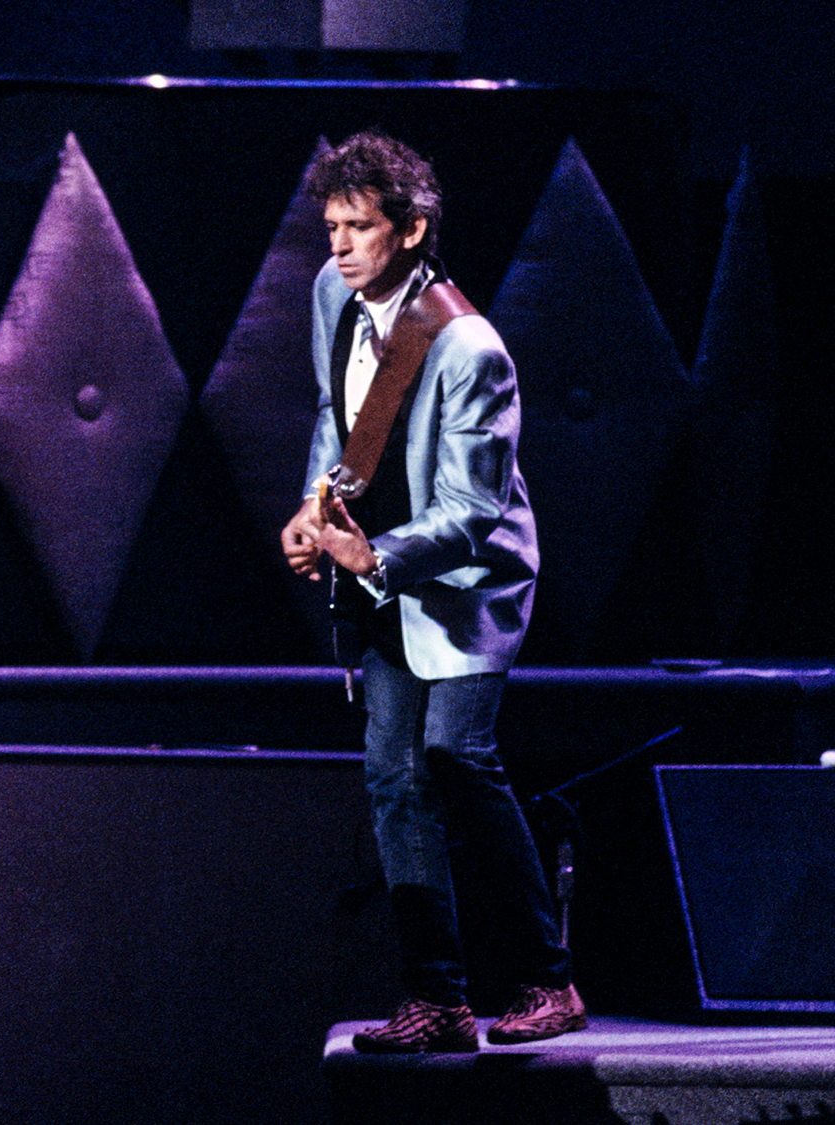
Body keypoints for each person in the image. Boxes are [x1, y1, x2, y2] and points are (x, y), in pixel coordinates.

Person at [280, 131, 586, 1053]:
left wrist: (370, 557)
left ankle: (549, 978)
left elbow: (471, 508)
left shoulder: (468, 347)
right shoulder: (331, 294)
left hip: (464, 582)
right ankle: (436, 994)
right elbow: (336, 416)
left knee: (455, 753)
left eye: (359, 228)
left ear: (411, 230)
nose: (338, 245)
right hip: (375, 571)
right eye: (331, 225)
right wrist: (313, 505)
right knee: (393, 777)